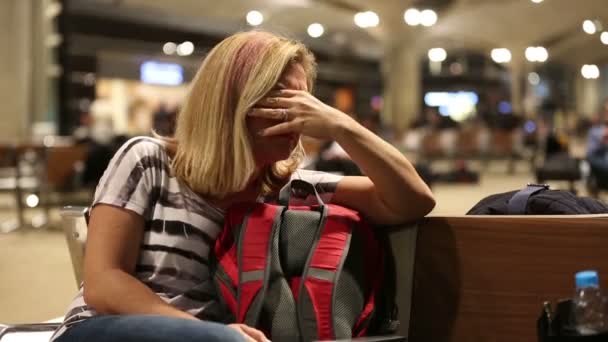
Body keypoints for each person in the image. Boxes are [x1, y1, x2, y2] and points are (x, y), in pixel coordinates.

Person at [51, 30, 435, 342]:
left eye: (307, 101)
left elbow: (412, 200)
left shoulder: (286, 187)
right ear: (234, 103)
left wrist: (341, 125)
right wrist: (203, 331)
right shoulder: (148, 159)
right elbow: (103, 282)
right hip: (106, 329)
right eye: (285, 98)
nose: (300, 115)